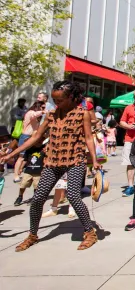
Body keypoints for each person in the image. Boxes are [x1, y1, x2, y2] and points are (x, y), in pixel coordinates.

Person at [0, 81, 101, 251]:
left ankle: (90, 232)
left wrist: (95, 160)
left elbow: (89, 138)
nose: (56, 103)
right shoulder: (52, 114)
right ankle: (32, 234)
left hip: (74, 161)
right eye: (54, 100)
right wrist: (11, 154)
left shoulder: (81, 114)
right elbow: (35, 137)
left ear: (71, 97)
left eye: (60, 100)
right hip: (52, 161)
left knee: (74, 197)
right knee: (38, 199)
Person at [13, 100, 45, 183]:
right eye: (42, 107)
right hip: (25, 137)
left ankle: (21, 171)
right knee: (21, 156)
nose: (43, 109)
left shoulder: (37, 116)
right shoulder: (31, 112)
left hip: (32, 137)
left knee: (27, 156)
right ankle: (16, 175)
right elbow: (34, 115)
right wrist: (44, 111)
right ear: (38, 107)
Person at [14, 138, 45, 206]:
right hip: (28, 170)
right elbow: (25, 160)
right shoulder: (29, 150)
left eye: (40, 141)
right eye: (37, 141)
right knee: (23, 185)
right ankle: (20, 197)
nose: (39, 142)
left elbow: (45, 160)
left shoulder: (44, 149)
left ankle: (34, 198)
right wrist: (21, 168)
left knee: (36, 186)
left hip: (39, 171)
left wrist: (44, 169)